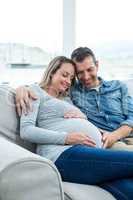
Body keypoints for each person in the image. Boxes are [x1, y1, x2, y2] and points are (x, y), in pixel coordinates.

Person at [19, 56, 133, 200]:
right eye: (64, 75)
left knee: (129, 190)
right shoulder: (35, 92)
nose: (68, 81)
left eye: (71, 78)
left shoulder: (66, 98)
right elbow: (26, 130)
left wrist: (82, 118)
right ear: (52, 72)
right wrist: (67, 138)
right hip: (63, 155)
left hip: (89, 156)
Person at [16, 47, 133, 150]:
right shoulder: (72, 90)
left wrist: (115, 135)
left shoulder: (118, 86)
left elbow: (131, 117)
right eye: (80, 73)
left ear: (97, 65)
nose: (86, 77)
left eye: (90, 69)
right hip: (105, 144)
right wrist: (22, 88)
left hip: (126, 138)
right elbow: (46, 88)